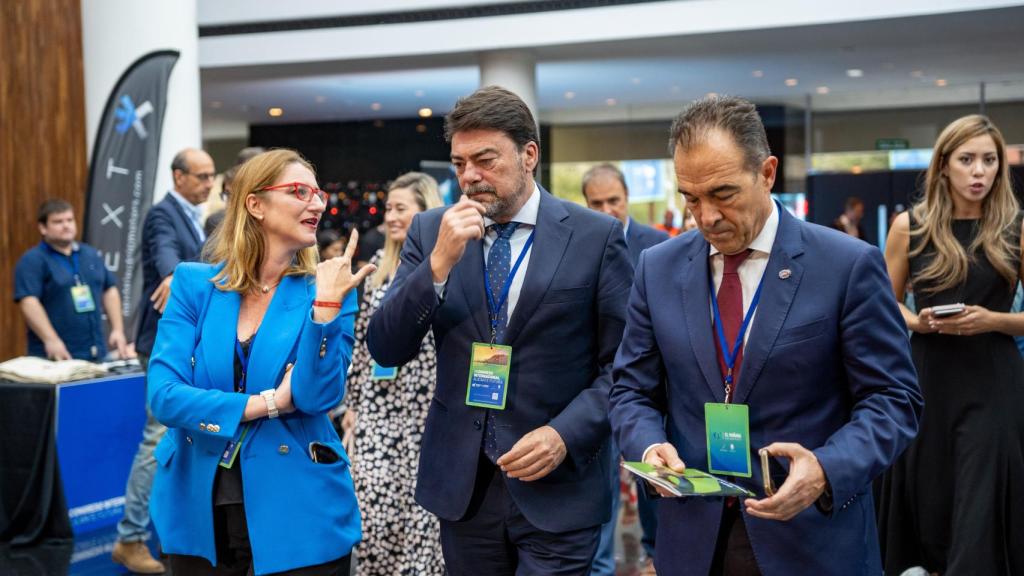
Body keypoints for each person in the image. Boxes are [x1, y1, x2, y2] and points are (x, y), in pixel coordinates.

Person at [609, 95, 922, 575]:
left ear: (767, 172)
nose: (706, 216)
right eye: (690, 198)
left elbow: (893, 400)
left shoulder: (846, 265)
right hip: (694, 541)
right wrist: (650, 448)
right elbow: (630, 390)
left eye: (723, 194)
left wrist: (825, 468)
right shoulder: (658, 268)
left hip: (810, 539)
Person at [367, 86, 633, 575]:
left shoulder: (596, 236)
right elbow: (385, 345)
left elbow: (622, 368)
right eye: (459, 163)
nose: (470, 176)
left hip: (557, 482)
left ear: (529, 154)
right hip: (464, 486)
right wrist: (438, 266)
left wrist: (564, 435)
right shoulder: (431, 232)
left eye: (485, 160)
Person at [147, 149, 372, 575]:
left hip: (299, 512)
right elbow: (164, 397)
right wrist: (266, 404)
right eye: (299, 192)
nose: (318, 204)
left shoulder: (326, 289)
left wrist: (325, 308)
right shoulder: (195, 284)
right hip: (198, 507)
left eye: (319, 194)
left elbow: (315, 395)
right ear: (255, 204)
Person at [878, 114, 1024, 575]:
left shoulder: (1015, 227)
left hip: (993, 383)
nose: (979, 171)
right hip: (928, 381)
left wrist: (993, 320)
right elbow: (883, 304)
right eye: (967, 160)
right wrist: (917, 323)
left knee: (980, 506)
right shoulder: (910, 226)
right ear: (943, 166)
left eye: (989, 160)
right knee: (933, 501)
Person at [112, 147, 214, 573]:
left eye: (212, 176)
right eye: (202, 176)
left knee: (179, 440)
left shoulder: (194, 216)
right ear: (178, 177)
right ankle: (130, 537)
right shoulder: (162, 214)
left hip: (187, 342)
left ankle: (168, 530)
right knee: (156, 440)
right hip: (161, 343)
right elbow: (165, 254)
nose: (209, 183)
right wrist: (177, 276)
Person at [343, 172, 445, 575]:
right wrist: (351, 403)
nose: (391, 217)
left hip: (429, 411)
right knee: (374, 517)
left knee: (424, 523)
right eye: (388, 208)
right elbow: (362, 341)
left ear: (425, 212)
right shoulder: (375, 269)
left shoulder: (448, 265)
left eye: (401, 208)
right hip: (378, 413)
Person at [581, 163, 668, 576]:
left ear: (627, 197)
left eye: (613, 200)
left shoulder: (656, 246)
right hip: (599, 386)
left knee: (653, 484)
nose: (607, 209)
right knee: (602, 496)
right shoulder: (580, 244)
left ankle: (659, 558)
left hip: (651, 390)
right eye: (597, 202)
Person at [14, 199, 129, 361]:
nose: (66, 225)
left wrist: (117, 329)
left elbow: (109, 289)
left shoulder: (90, 254)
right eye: (58, 222)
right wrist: (51, 340)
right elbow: (28, 301)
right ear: (43, 228)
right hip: (56, 356)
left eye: (69, 220)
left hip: (96, 352)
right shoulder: (33, 260)